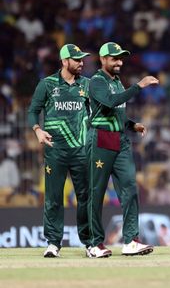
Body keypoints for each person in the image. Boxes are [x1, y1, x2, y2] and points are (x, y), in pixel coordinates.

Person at [86, 42, 159, 258]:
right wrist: (139, 86)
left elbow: (116, 110)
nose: (119, 62)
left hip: (121, 140)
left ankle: (130, 241)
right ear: (102, 59)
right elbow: (109, 103)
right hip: (101, 139)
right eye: (114, 58)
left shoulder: (117, 81)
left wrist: (130, 124)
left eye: (120, 58)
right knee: (96, 194)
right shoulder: (96, 82)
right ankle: (94, 244)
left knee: (130, 190)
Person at [27, 43, 92, 258]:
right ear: (64, 61)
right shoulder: (47, 85)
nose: (81, 63)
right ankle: (53, 243)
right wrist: (37, 130)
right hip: (55, 152)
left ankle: (90, 243)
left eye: (82, 59)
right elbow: (32, 112)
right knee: (53, 198)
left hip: (81, 151)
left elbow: (100, 113)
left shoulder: (88, 85)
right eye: (77, 59)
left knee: (85, 197)